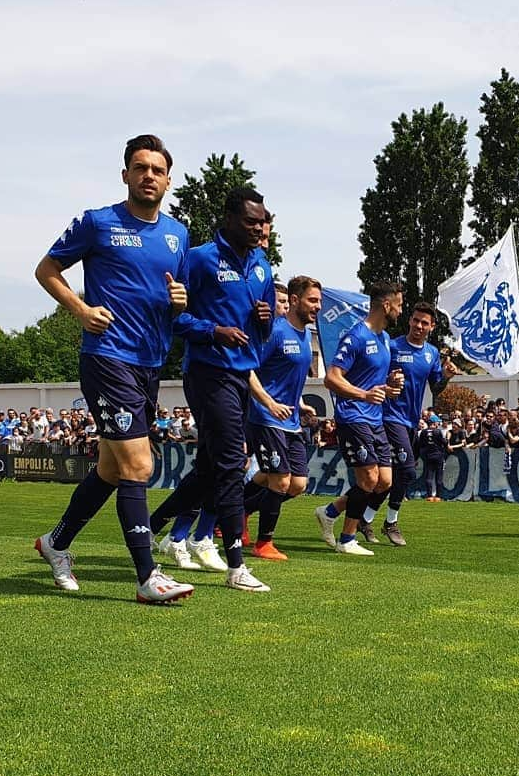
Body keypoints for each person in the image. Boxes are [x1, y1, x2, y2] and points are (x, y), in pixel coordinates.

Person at [33, 134, 194, 603]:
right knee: (138, 466)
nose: (149, 176)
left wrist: (180, 301)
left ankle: (56, 543)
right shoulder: (97, 223)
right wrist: (81, 311)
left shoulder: (178, 234)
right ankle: (148, 577)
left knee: (109, 467)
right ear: (125, 174)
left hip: (149, 363)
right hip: (108, 358)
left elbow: (175, 298)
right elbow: (46, 269)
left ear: (167, 180)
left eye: (157, 170)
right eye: (140, 167)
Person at [148, 186, 275, 591]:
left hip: (242, 373)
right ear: (229, 219)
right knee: (229, 463)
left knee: (207, 470)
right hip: (207, 371)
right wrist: (214, 331)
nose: (259, 228)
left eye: (263, 221)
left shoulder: (262, 265)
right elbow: (173, 319)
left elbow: (265, 330)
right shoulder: (201, 259)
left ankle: (153, 527)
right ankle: (236, 562)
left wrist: (265, 318)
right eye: (251, 221)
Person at [313, 281, 404, 556]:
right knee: (368, 480)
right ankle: (346, 539)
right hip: (353, 417)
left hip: (375, 419)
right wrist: (364, 395)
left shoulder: (385, 340)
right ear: (386, 305)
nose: (400, 311)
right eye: (398, 305)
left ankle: (329, 512)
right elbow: (331, 378)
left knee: (385, 481)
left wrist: (389, 385)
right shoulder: (355, 337)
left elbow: (373, 382)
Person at [356, 301, 457, 546]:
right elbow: (375, 375)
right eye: (415, 320)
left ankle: (364, 518)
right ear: (410, 320)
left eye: (424, 323)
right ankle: (390, 522)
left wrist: (445, 375)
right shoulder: (392, 346)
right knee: (409, 471)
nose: (419, 326)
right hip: (389, 417)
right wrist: (388, 381)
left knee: (389, 479)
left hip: (411, 421)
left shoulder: (431, 353)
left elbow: (436, 387)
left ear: (431, 327)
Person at [238, 275, 323, 561]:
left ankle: (241, 508)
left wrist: (299, 403)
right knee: (280, 481)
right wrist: (269, 403)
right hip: (265, 417)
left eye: (319, 301)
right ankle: (264, 544)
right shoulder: (274, 331)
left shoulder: (304, 337)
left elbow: (283, 377)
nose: (318, 307)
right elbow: (248, 369)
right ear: (295, 300)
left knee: (297, 485)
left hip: (291, 421)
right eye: (313, 300)